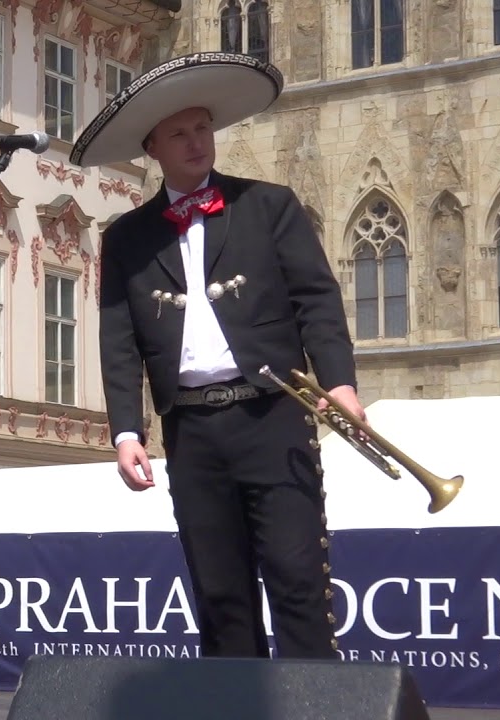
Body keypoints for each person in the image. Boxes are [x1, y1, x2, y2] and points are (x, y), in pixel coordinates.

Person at [70, 53, 367, 659]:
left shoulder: (269, 205)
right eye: (179, 133)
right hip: (193, 430)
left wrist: (339, 384)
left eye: (202, 128)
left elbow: (317, 299)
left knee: (297, 580)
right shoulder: (126, 237)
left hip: (273, 415)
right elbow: (119, 340)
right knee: (220, 593)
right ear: (152, 146)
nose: (196, 141)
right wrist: (127, 430)